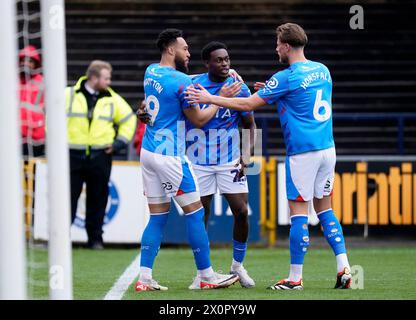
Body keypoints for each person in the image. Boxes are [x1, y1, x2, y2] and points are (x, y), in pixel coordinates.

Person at [185, 23, 352, 290]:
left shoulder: (285, 76)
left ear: (286, 46)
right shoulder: (323, 70)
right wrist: (276, 93)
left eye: (277, 44)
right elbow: (303, 100)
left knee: (298, 213)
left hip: (302, 153)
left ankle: (295, 278)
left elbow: (250, 105)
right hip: (327, 149)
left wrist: (212, 98)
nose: (276, 49)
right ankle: (344, 268)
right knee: (325, 209)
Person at [135, 29, 241, 291]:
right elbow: (200, 120)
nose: (188, 52)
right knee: (195, 213)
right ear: (171, 50)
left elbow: (151, 102)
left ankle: (144, 279)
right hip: (170, 156)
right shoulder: (182, 82)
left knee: (157, 217)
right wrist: (222, 99)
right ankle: (206, 276)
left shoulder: (151, 71)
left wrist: (142, 110)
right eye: (185, 48)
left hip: (148, 152)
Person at [185, 41, 256, 289]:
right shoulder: (194, 86)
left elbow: (249, 123)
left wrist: (247, 156)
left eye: (227, 59)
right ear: (207, 63)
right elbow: (194, 120)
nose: (225, 64)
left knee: (241, 211)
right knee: (199, 216)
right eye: (219, 60)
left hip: (229, 161)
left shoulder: (239, 87)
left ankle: (237, 266)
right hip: (199, 162)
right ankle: (202, 272)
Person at [65, 60, 137, 249]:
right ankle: (62, 238)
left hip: (100, 156)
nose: (109, 81)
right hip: (71, 155)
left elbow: (129, 120)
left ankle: (95, 239)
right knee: (67, 198)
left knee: (98, 198)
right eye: (106, 78)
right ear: (93, 78)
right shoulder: (68, 94)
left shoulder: (113, 98)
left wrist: (119, 143)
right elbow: (52, 116)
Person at [19, 45, 45, 158]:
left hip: (36, 137)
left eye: (30, 61)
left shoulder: (42, 83)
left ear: (36, 64)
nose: (26, 63)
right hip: (15, 135)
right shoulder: (12, 82)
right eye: (23, 60)